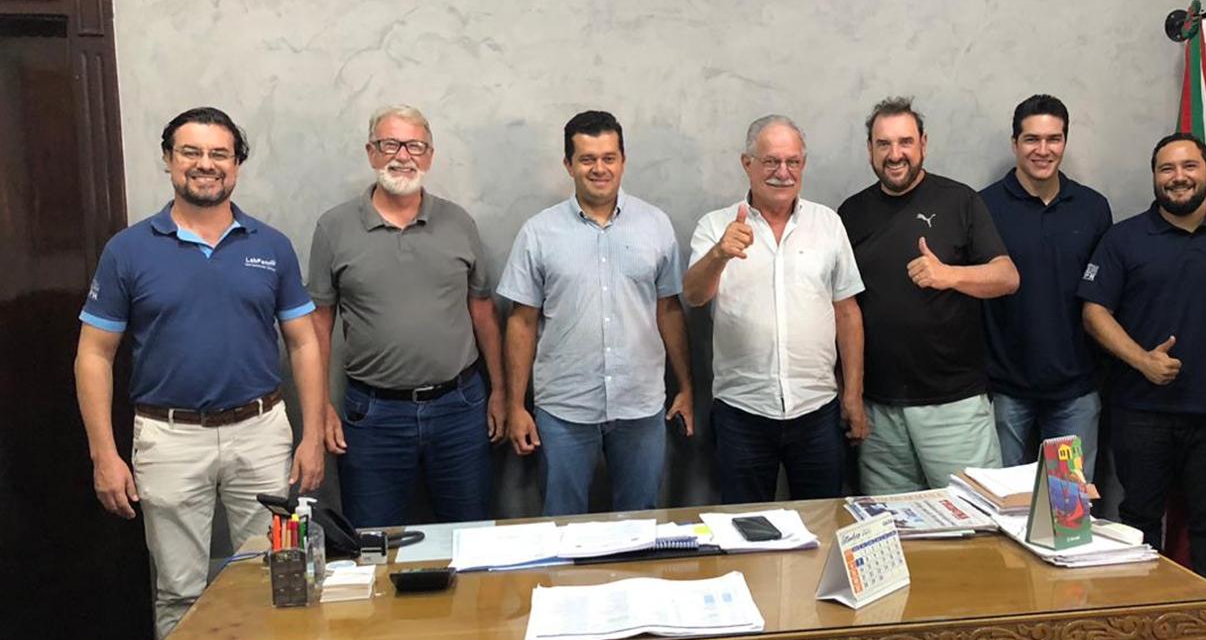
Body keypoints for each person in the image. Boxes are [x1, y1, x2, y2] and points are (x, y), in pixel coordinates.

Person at [74, 107, 325, 640]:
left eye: (219, 153)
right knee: (179, 590)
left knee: (272, 581)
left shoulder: (271, 245)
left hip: (261, 431)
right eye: (191, 152)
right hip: (168, 436)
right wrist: (104, 454)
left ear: (237, 163)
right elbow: (94, 354)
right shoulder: (129, 250)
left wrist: (310, 435)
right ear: (168, 159)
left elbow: (303, 342)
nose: (205, 165)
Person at [1079, 131, 1206, 640]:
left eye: (1188, 166)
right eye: (1166, 169)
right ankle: (1143, 626)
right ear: (1154, 176)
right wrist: (1142, 360)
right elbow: (1093, 311)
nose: (1178, 177)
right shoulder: (1124, 238)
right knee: (1138, 518)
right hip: (1141, 410)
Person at [306, 105, 505, 526]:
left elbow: (483, 312)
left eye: (415, 146)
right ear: (371, 152)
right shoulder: (334, 228)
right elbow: (318, 324)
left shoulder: (459, 222)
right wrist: (320, 405)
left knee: (471, 535)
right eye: (390, 144)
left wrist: (500, 392)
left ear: (429, 156)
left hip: (460, 408)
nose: (403, 156)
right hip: (373, 415)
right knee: (372, 542)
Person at [499, 110, 692, 516]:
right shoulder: (538, 232)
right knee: (562, 524)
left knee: (640, 523)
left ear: (623, 161)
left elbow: (670, 310)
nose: (599, 169)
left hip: (640, 405)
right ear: (568, 164)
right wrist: (516, 405)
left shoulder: (656, 225)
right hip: (564, 409)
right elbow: (522, 321)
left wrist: (687, 387)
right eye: (587, 159)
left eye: (609, 157)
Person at [837, 97, 1017, 494]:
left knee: (973, 521)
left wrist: (949, 275)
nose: (895, 154)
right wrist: (852, 395)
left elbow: (1007, 277)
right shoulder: (851, 213)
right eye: (883, 144)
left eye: (905, 141)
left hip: (953, 408)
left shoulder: (959, 201)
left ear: (923, 143)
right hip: (879, 413)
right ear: (869, 149)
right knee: (891, 525)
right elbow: (844, 310)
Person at [684, 114, 866, 503]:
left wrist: (853, 393)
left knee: (822, 521)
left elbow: (847, 312)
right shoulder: (716, 226)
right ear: (747, 163)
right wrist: (719, 254)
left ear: (803, 164)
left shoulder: (828, 224)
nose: (783, 172)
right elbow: (694, 296)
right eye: (770, 161)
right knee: (746, 525)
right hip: (742, 411)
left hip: (817, 408)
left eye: (792, 162)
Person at [979, 95, 1111, 478]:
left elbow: (1104, 297)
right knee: (998, 501)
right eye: (1032, 139)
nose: (1043, 149)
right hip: (1003, 389)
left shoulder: (1092, 207)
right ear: (1015, 143)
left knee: (1067, 505)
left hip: (1075, 390)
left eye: (1053, 139)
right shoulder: (983, 207)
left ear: (1065, 141)